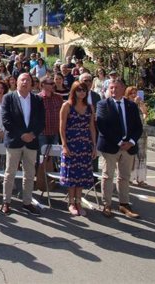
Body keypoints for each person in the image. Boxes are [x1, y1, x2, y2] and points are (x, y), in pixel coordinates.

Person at [96, 79, 143, 219]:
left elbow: (138, 127)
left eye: (116, 88)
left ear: (123, 89)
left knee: (124, 177)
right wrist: (119, 142)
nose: (113, 91)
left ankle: (124, 204)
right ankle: (107, 204)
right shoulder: (103, 104)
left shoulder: (131, 105)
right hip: (110, 146)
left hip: (129, 148)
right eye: (111, 88)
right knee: (107, 175)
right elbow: (102, 125)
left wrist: (131, 142)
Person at [0, 73, 46, 216]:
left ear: (32, 83)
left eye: (28, 80)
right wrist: (21, 134)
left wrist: (32, 134)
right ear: (17, 82)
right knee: (10, 173)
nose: (25, 82)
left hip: (31, 142)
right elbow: (6, 120)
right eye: (22, 80)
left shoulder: (37, 99)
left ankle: (27, 202)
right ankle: (6, 202)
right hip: (14, 141)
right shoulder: (8, 97)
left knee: (29, 174)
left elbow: (41, 120)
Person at [59, 81, 97, 216]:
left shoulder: (90, 107)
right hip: (71, 143)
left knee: (81, 175)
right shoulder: (67, 106)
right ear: (73, 91)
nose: (81, 92)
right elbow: (62, 128)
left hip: (85, 144)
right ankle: (71, 202)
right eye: (79, 90)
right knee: (72, 176)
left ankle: (78, 202)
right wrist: (64, 145)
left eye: (84, 90)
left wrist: (94, 146)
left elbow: (92, 127)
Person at [125, 86, 149, 187]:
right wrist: (134, 103)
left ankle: (141, 179)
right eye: (131, 93)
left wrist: (141, 103)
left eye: (135, 93)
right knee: (132, 156)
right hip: (131, 133)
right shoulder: (127, 104)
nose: (134, 95)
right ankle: (129, 178)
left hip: (142, 133)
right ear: (127, 94)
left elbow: (145, 114)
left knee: (142, 156)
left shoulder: (139, 103)